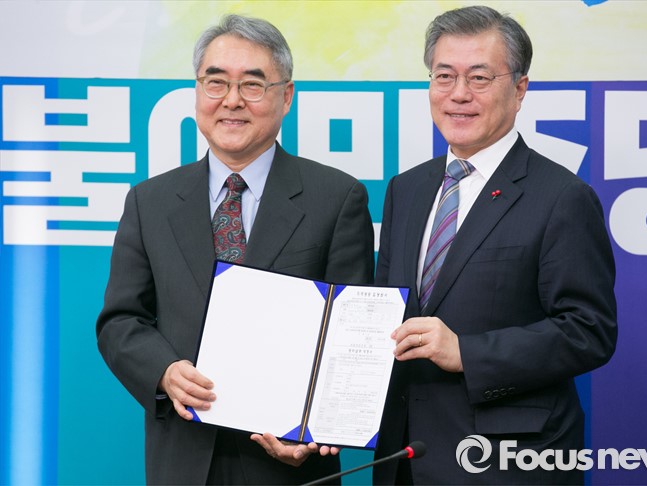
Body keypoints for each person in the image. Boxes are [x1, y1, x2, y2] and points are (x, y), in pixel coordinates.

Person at [96, 14, 374, 485]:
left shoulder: (336, 198)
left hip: (286, 463)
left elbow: (351, 339)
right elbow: (121, 320)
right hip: (183, 457)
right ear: (197, 92)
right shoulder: (150, 201)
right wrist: (164, 371)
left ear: (286, 96)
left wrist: (316, 432)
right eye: (216, 82)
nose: (231, 100)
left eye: (252, 85)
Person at [373, 5, 617, 484]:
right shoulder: (407, 188)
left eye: (479, 78)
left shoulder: (562, 197)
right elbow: (385, 311)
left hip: (504, 464)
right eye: (444, 76)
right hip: (404, 458)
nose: (458, 94)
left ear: (520, 89)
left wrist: (467, 351)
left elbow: (589, 331)